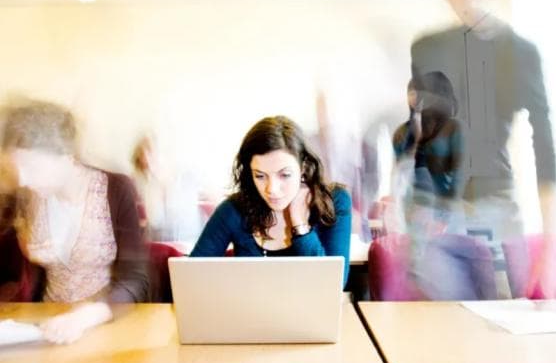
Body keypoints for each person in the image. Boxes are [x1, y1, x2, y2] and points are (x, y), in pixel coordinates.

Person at [411, 0, 556, 296]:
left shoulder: (521, 53)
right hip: (439, 214)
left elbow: (545, 146)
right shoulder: (428, 47)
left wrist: (551, 253)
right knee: (443, 328)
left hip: (495, 207)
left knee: (509, 318)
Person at [1, 101, 148, 343]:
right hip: (48, 323)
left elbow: (136, 279)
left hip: (104, 323)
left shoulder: (116, 189)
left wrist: (85, 317)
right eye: (19, 169)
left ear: (66, 157)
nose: (24, 180)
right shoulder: (29, 196)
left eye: (32, 167)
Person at [191, 115, 352, 285]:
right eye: (260, 176)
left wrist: (300, 227)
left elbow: (333, 284)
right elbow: (192, 277)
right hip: (248, 310)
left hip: (310, 312)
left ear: (303, 167)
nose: (272, 189)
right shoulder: (234, 209)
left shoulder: (335, 201)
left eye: (285, 175)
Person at [392, 72, 465, 234]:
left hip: (445, 214)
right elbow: (400, 176)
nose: (415, 97)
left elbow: (458, 177)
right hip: (413, 214)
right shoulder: (401, 132)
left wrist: (442, 219)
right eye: (411, 93)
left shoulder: (453, 128)